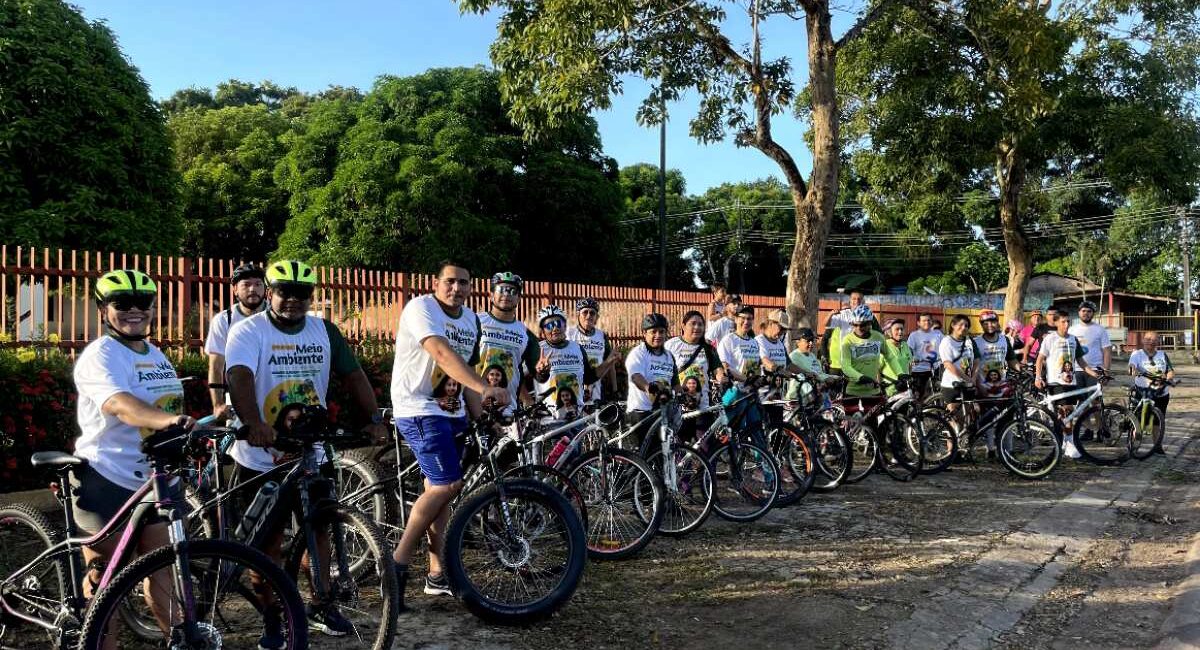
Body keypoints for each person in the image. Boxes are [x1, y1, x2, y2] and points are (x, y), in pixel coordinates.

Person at [225, 260, 389, 643]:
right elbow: (238, 375)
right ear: (269, 291)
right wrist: (253, 423)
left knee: (320, 531)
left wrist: (375, 417)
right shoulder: (249, 331)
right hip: (262, 455)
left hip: (313, 448)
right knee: (269, 546)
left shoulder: (323, 330)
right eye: (285, 292)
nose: (294, 300)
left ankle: (320, 604)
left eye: (303, 294)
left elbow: (354, 375)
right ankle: (273, 616)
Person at [73, 270, 194, 649]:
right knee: (104, 588)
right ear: (102, 309)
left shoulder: (154, 353)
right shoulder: (100, 355)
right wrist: (167, 420)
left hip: (155, 478)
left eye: (143, 303)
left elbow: (167, 404)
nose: (134, 311)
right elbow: (119, 404)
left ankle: (181, 643)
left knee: (162, 572)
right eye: (122, 303)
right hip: (107, 477)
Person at [389, 261, 510, 611]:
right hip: (418, 406)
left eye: (463, 283)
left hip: (452, 410)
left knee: (441, 490)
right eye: (450, 282)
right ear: (436, 283)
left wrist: (482, 417)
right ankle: (396, 565)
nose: (456, 288)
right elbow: (441, 353)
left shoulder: (471, 320)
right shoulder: (421, 307)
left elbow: (467, 373)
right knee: (447, 485)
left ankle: (437, 573)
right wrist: (485, 387)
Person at [205, 263, 267, 423]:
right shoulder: (224, 320)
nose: (253, 289)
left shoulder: (277, 318)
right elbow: (216, 366)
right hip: (237, 398)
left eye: (258, 284)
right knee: (236, 445)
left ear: (265, 288)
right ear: (235, 290)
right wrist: (218, 404)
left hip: (275, 393)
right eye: (246, 285)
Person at [1035, 307, 1100, 459]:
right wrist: (1038, 377)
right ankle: (1070, 445)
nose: (1066, 325)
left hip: (1071, 381)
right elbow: (1040, 359)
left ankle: (1064, 443)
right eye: (1063, 322)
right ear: (1056, 322)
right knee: (1067, 412)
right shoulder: (1050, 338)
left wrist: (1094, 373)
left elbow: (1081, 361)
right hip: (1055, 382)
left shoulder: (1073, 339)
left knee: (1067, 415)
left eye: (1068, 322)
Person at [476, 272, 539, 415]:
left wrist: (543, 371)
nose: (507, 294)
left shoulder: (525, 334)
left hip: (508, 411)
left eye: (513, 291)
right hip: (475, 407)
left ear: (518, 298)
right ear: (491, 295)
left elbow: (537, 374)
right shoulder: (475, 322)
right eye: (501, 289)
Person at [534, 305, 599, 419]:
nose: (555, 328)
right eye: (549, 325)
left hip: (576, 416)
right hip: (549, 419)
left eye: (558, 323)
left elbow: (589, 377)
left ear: (565, 325)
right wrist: (540, 372)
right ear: (542, 330)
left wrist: (609, 361)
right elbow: (520, 378)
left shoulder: (577, 348)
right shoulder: (538, 350)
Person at [625, 313, 680, 431]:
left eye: (662, 331)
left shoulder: (669, 356)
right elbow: (636, 376)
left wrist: (683, 395)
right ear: (644, 333)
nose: (658, 335)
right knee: (643, 449)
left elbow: (675, 383)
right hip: (641, 413)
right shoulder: (638, 353)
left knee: (665, 448)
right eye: (653, 332)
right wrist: (648, 387)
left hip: (664, 411)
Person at [664, 310, 723, 415]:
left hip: (702, 405)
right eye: (693, 324)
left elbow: (718, 370)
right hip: (677, 406)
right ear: (683, 326)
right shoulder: (670, 345)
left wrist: (722, 377)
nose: (697, 327)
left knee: (703, 431)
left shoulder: (708, 349)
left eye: (700, 324)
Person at [566, 297, 621, 403]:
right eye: (585, 312)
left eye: (592, 313)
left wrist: (615, 391)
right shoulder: (569, 333)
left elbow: (610, 363)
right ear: (578, 315)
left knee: (595, 418)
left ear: (597, 317)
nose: (588, 316)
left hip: (597, 389)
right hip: (573, 390)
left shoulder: (602, 336)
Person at [1128, 331, 1174, 455]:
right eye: (1148, 339)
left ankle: (1157, 446)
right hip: (1143, 391)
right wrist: (1136, 371)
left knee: (1157, 421)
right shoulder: (1136, 354)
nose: (1151, 341)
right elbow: (1132, 368)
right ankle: (1134, 445)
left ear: (1158, 342)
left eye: (1154, 340)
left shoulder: (1162, 354)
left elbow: (1170, 371)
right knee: (1138, 420)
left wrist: (1167, 378)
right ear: (1143, 341)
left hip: (1161, 392)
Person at [839, 305, 893, 399]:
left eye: (862, 324)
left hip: (874, 392)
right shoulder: (848, 340)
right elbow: (845, 366)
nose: (859, 328)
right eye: (855, 325)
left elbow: (890, 357)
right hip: (853, 393)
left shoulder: (878, 337)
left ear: (870, 323)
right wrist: (860, 377)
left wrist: (900, 373)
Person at [821, 290, 880, 375]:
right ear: (850, 301)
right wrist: (831, 313)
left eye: (859, 299)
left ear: (863, 302)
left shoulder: (869, 316)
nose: (856, 301)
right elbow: (825, 325)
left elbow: (879, 335)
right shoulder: (843, 314)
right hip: (842, 360)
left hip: (861, 360)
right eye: (854, 299)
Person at [938, 314, 980, 414]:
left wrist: (973, 377)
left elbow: (977, 360)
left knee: (972, 411)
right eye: (961, 325)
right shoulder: (947, 341)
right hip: (952, 385)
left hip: (967, 385)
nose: (964, 327)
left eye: (966, 326)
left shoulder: (969, 341)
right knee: (954, 414)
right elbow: (948, 364)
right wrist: (967, 378)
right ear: (953, 325)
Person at [785, 327, 838, 405]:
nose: (811, 344)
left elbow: (820, 374)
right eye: (808, 341)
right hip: (798, 399)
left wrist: (835, 377)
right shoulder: (794, 357)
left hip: (813, 397)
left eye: (812, 341)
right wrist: (825, 380)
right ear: (798, 342)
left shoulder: (812, 356)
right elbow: (809, 375)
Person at [1068, 300, 1111, 388]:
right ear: (1079, 312)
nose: (1086, 313)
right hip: (1076, 370)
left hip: (1096, 370)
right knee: (1078, 400)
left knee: (1094, 400)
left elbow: (1107, 351)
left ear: (1093, 313)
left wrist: (1106, 371)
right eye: (1083, 311)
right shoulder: (1071, 330)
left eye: (1089, 311)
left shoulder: (1100, 329)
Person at [974, 310, 1017, 395]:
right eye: (985, 323)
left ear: (997, 323)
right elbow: (972, 366)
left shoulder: (1005, 340)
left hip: (1001, 386)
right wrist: (977, 385)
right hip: (982, 388)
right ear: (981, 325)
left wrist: (1023, 370)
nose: (989, 325)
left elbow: (1012, 360)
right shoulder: (975, 342)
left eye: (993, 322)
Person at [717, 304, 763, 383]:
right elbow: (725, 368)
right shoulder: (728, 340)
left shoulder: (754, 342)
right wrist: (746, 380)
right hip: (735, 390)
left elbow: (758, 366)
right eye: (743, 318)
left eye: (749, 319)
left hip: (752, 390)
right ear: (736, 319)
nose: (746, 322)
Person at [906, 312, 943, 399]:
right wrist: (913, 359)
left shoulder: (938, 334)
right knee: (919, 395)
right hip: (919, 370)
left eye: (929, 320)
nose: (927, 322)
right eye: (924, 321)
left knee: (936, 394)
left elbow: (946, 346)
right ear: (918, 323)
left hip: (935, 370)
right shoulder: (914, 335)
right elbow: (908, 352)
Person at [881, 318, 913, 395]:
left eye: (901, 329)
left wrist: (910, 379)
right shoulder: (884, 346)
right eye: (897, 329)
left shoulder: (905, 345)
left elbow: (909, 364)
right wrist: (879, 388)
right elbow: (876, 369)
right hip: (889, 390)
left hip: (904, 387)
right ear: (889, 332)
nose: (900, 332)